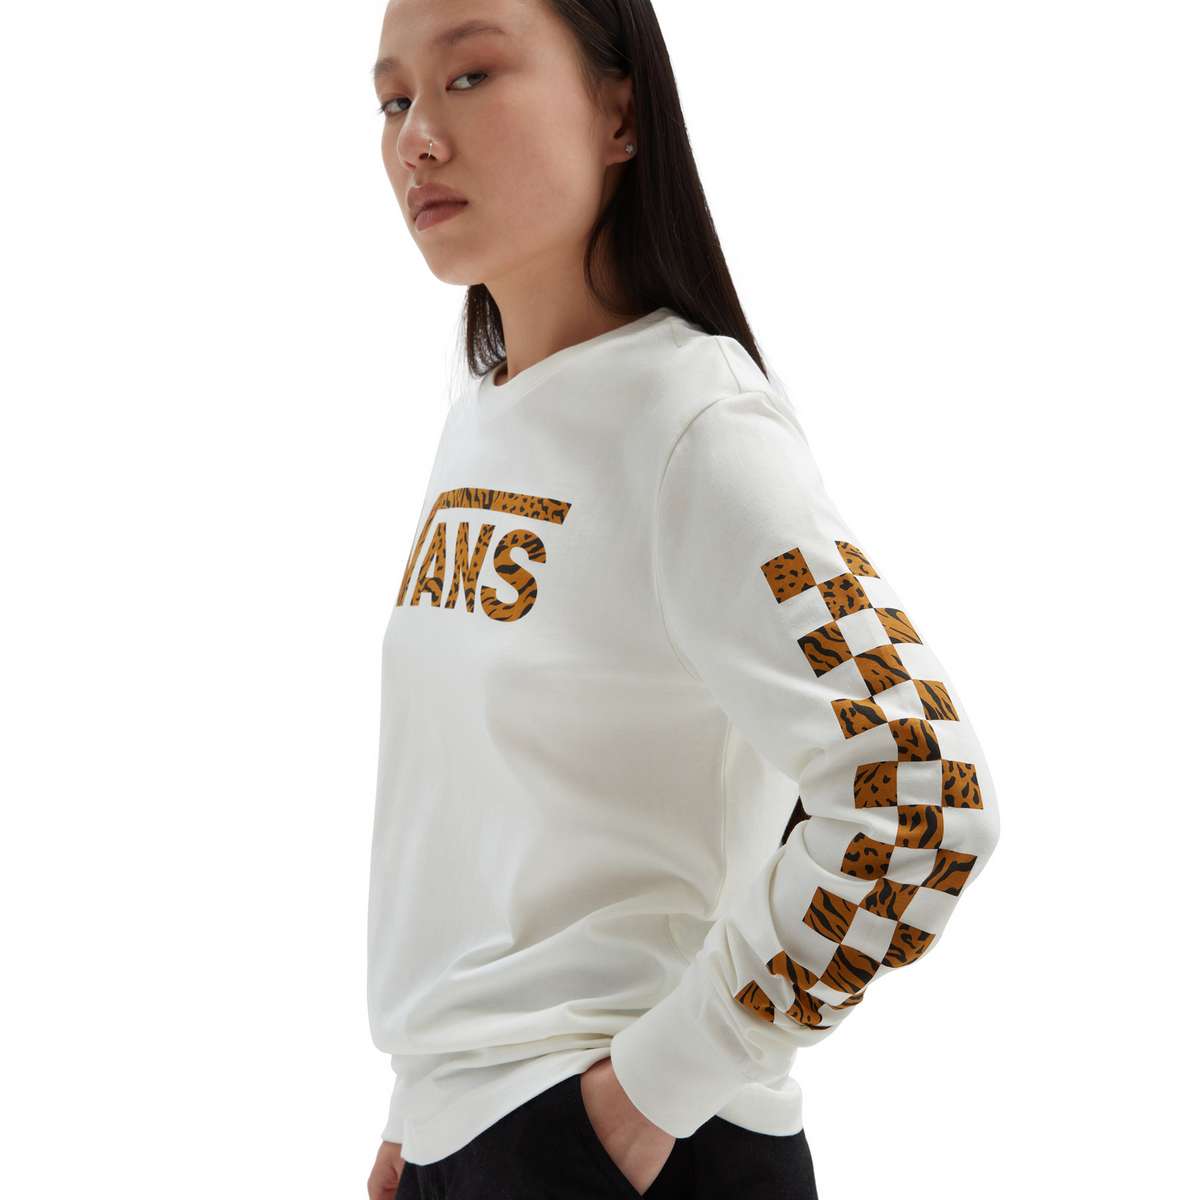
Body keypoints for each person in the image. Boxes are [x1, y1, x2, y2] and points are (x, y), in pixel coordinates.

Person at [365, 2, 1002, 1197]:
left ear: (620, 112)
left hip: (632, 1142)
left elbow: (920, 787)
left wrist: (659, 1083)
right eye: (393, 99)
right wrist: (425, 1103)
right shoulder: (485, 421)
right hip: (478, 1134)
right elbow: (473, 811)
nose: (418, 137)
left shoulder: (695, 424)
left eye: (471, 76)